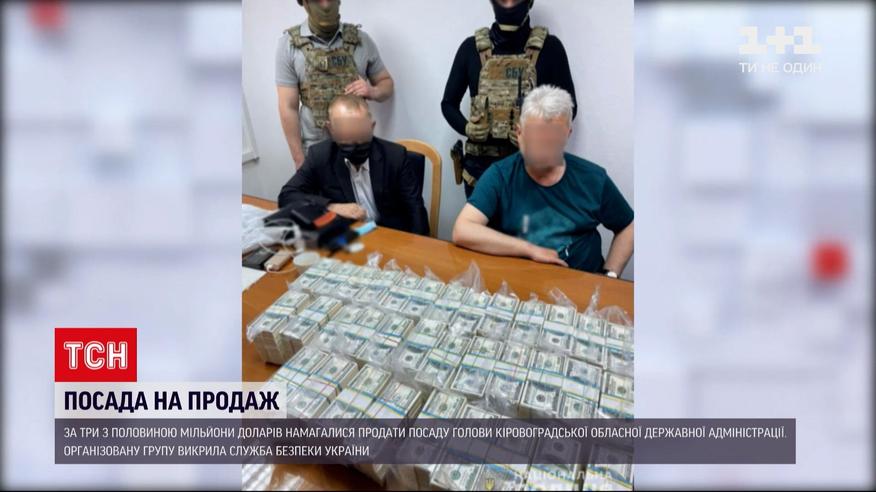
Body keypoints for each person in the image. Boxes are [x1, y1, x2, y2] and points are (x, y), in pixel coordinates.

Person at [452, 86, 633, 276]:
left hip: (582, 282)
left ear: (568, 133)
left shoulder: (593, 179)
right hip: (520, 281)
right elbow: (463, 229)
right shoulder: (500, 175)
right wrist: (530, 250)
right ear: (519, 133)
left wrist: (610, 276)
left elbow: (628, 226)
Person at [442, 0, 577, 197]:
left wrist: (537, 133)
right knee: (478, 218)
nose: (509, 4)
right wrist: (467, 128)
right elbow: (448, 104)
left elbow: (568, 110)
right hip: (480, 174)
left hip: (532, 170)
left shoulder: (550, 49)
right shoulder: (470, 48)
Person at [278, 95, 429, 236]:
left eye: (362, 140)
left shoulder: (395, 156)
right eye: (347, 142)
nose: (356, 149)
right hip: (348, 237)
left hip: (390, 236)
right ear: (331, 130)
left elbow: (416, 211)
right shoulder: (320, 156)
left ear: (371, 126)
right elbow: (287, 196)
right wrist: (331, 207)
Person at [276, 0, 394, 169]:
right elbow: (288, 107)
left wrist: (372, 91)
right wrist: (299, 159)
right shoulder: (289, 45)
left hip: (360, 147)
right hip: (317, 148)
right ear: (305, 3)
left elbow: (386, 83)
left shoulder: (361, 40)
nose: (325, 5)